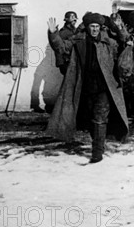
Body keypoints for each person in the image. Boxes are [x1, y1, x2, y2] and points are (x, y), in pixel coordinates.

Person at [46, 12, 129, 163]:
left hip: (104, 87)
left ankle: (97, 152)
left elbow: (124, 42)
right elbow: (61, 47)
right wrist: (53, 33)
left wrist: (120, 28)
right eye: (92, 26)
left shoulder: (108, 42)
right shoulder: (78, 40)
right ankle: (99, 143)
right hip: (84, 86)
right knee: (90, 119)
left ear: (101, 27)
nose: (95, 29)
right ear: (87, 27)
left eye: (97, 26)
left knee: (100, 118)